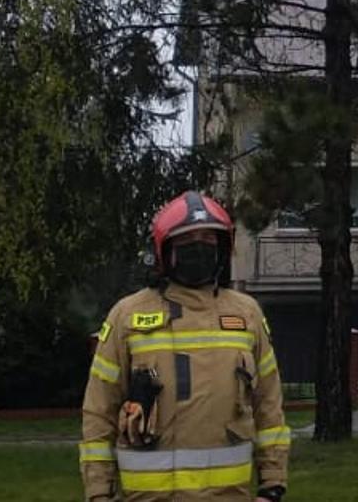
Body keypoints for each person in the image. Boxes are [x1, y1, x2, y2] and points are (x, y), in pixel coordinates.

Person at [81, 192, 289, 502]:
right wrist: (99, 493)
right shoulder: (127, 317)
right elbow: (99, 412)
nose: (199, 245)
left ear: (222, 248)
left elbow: (269, 405)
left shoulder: (247, 315)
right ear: (164, 250)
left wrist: (272, 486)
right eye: (188, 238)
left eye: (208, 238)